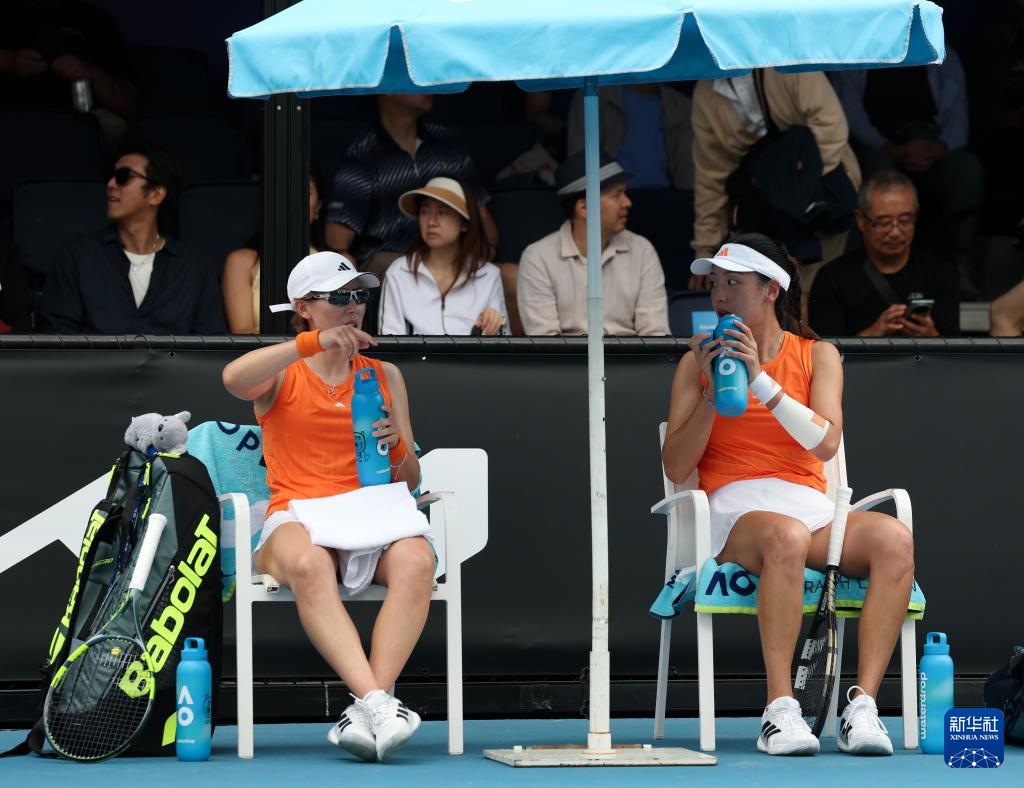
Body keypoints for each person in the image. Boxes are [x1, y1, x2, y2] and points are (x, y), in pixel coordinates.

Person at [663, 233, 914, 756]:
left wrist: (759, 380)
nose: (720, 295)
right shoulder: (694, 363)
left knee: (894, 538)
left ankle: (862, 707)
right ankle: (780, 709)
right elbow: (676, 466)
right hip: (735, 512)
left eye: (734, 283)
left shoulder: (819, 355)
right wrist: (709, 392)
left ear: (771, 290)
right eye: (715, 284)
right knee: (787, 537)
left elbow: (825, 443)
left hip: (809, 507)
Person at [222, 251, 433, 762]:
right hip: (297, 515)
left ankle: (367, 708)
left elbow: (410, 479)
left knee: (418, 560)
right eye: (339, 297)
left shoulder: (385, 374)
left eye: (359, 295)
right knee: (308, 563)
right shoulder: (284, 369)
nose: (353, 306)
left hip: (372, 513)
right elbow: (233, 379)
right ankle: (380, 703)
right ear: (304, 308)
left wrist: (397, 447)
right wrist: (311, 343)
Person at [690, 69, 861, 293]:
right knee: (767, 292)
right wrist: (706, 249)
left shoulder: (787, 61)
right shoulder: (705, 93)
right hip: (761, 205)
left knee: (820, 288)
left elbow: (831, 127)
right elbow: (711, 178)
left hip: (820, 192)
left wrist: (791, 185)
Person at [830, 51, 985, 296]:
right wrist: (888, 148)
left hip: (932, 151)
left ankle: (960, 266)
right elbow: (848, 113)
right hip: (878, 149)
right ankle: (874, 269)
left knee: (966, 170)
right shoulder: (856, 51)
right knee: (879, 173)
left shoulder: (937, 48)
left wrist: (940, 148)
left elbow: (957, 110)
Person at [41, 142, 225, 334]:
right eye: (110, 176)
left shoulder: (194, 269)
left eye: (123, 177)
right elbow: (56, 337)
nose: (111, 184)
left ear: (156, 194)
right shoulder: (77, 258)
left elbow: (209, 344)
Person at [325, 93, 498, 277]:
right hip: (389, 260)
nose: (426, 84)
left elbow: (481, 216)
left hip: (452, 255)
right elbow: (338, 245)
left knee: (509, 276)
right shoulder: (364, 155)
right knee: (411, 275)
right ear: (388, 89)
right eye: (413, 79)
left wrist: (486, 253)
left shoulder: (446, 141)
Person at [517, 151, 669, 336]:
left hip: (632, 355)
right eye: (616, 195)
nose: (627, 202)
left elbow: (655, 334)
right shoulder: (538, 258)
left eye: (625, 193)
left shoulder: (642, 250)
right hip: (568, 356)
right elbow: (545, 342)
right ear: (584, 208)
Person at [809, 170, 959, 337]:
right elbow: (823, 350)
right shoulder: (832, 279)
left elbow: (955, 348)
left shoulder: (940, 273)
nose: (895, 232)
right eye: (883, 222)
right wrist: (873, 335)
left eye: (905, 221)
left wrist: (931, 335)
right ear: (860, 220)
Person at [379, 177, 507, 336]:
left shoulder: (488, 274)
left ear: (465, 223)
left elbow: (504, 343)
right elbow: (390, 339)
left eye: (442, 212)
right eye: (425, 211)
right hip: (414, 354)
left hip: (471, 353)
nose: (431, 222)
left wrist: (493, 324)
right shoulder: (399, 271)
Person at [0, 0, 138, 144]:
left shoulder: (94, 20)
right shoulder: (6, 14)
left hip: (79, 119)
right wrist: (9, 61)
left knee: (115, 127)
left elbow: (128, 103)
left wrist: (88, 70)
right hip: (10, 116)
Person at [222, 172, 326, 334]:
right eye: (285, 193)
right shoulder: (242, 262)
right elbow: (242, 336)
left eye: (305, 192)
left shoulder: (338, 263)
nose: (294, 201)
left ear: (319, 205)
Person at [566, 83, 694, 189]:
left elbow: (688, 173)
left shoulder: (680, 106)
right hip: (608, 197)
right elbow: (580, 164)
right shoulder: (593, 96)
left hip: (666, 197)